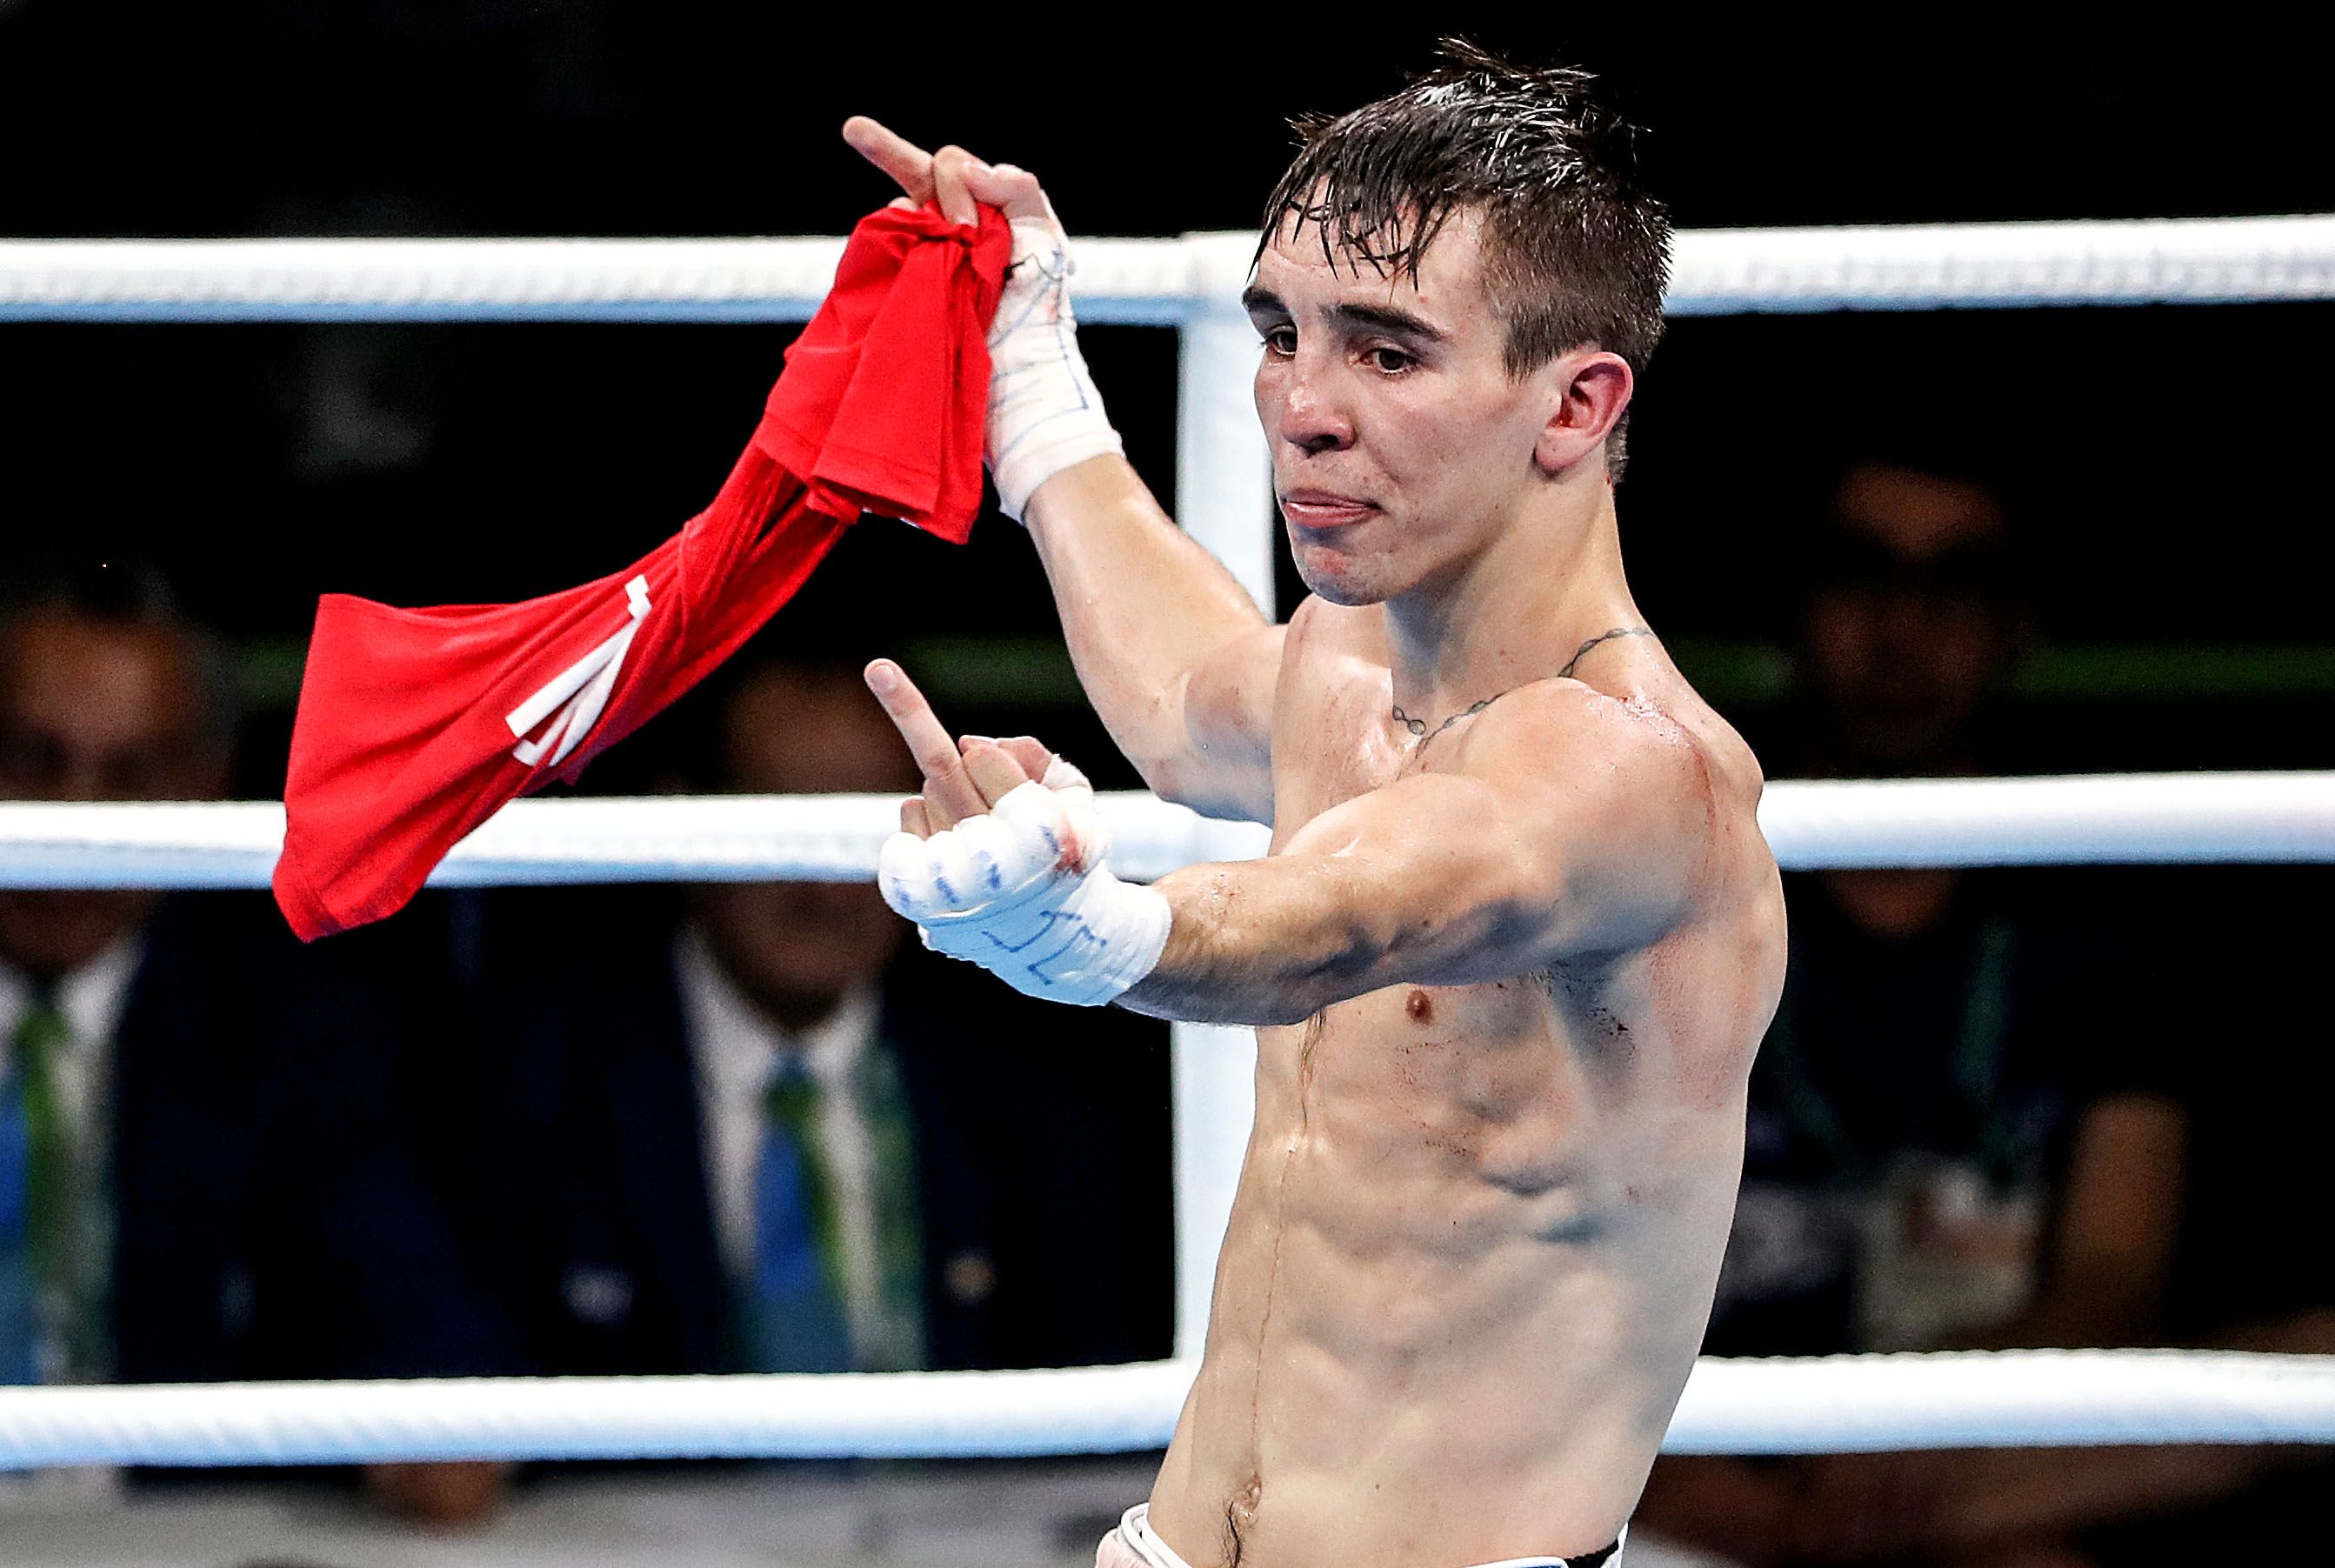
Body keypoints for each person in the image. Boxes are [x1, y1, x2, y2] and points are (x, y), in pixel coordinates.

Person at [847, 42, 1788, 1568]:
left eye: (1389, 351)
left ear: (1574, 406)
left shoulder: (1631, 770)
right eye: (1283, 332)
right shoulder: (1346, 664)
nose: (1301, 405)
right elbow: (1184, 689)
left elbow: (1334, 919)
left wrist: (1079, 923)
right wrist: (1029, 374)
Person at [1628, 457, 2191, 1567]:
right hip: (1680, 1473)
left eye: (1959, 583)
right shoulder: (1663, 871)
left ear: (2020, 623)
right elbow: (1549, 1279)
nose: (1904, 626)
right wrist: (1756, 1504)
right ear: (1795, 601)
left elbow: (2115, 1282)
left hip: (1982, 1463)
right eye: (1861, 574)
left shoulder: (2102, 903)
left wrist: (1907, 1441)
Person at [461, 645, 1170, 1384]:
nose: (829, 891)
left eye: (867, 838)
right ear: (678, 816)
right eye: (785, 828)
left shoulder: (1035, 1101)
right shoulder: (527, 1084)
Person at [0, 567, 505, 1523]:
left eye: (131, 776)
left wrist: (431, 1404)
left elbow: (408, 1304)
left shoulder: (289, 1017)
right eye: (32, 759)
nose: (74, 815)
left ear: (207, 785)